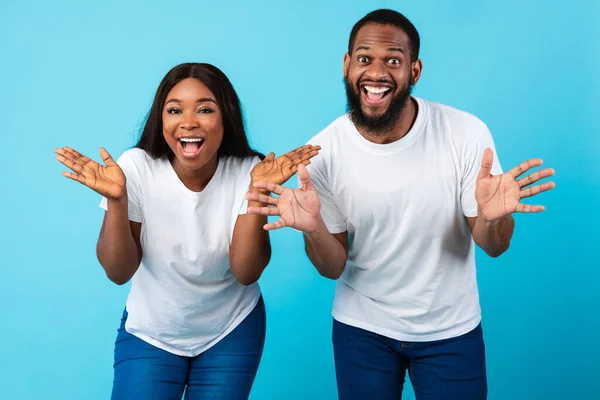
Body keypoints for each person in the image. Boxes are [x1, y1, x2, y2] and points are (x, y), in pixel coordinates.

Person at [246, 9, 555, 400]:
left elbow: (494, 246)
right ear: (347, 66)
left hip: (450, 330)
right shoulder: (322, 153)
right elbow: (332, 266)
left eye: (393, 60)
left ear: (415, 70)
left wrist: (495, 218)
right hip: (362, 331)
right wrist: (314, 229)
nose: (376, 72)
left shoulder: (465, 133)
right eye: (364, 59)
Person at [54, 62, 320, 399]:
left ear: (226, 118)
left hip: (231, 330)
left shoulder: (250, 171)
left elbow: (246, 272)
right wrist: (117, 201)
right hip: (151, 332)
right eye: (174, 110)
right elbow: (118, 272)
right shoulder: (136, 168)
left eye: (205, 109)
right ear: (160, 120)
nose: (188, 122)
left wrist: (258, 191)